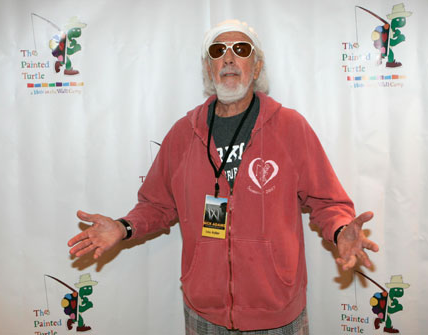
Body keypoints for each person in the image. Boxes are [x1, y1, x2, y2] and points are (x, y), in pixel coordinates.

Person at [68, 20, 379, 334]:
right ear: (208, 67)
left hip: (276, 312)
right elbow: (156, 205)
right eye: (218, 51)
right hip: (204, 313)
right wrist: (124, 227)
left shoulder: (290, 128)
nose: (229, 58)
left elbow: (327, 201)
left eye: (240, 50)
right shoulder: (182, 134)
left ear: (255, 67)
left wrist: (340, 230)